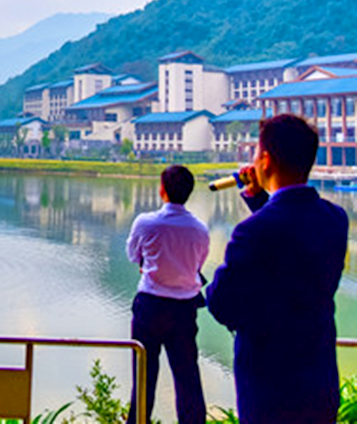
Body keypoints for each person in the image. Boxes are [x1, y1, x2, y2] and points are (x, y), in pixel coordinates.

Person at [206, 113, 349, 424]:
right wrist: (258, 199)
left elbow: (221, 305)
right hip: (319, 379)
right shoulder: (336, 219)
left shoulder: (252, 232)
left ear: (266, 160)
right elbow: (293, 240)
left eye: (257, 153)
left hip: (269, 388)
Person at [126, 164, 209, 424]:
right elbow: (197, 265)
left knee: (143, 376)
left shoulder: (146, 222)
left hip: (150, 307)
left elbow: (133, 255)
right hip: (184, 310)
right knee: (187, 378)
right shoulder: (200, 229)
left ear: (162, 190)